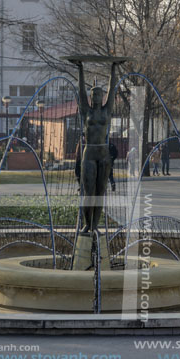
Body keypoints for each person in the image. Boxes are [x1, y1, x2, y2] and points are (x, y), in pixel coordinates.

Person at [74, 58, 122, 233]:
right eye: (93, 95)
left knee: (100, 193)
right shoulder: (86, 110)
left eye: (99, 95)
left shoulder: (106, 110)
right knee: (89, 193)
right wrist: (80, 68)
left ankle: (95, 225)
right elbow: (80, 91)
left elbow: (113, 88)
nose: (96, 97)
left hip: (103, 155)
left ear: (102, 97)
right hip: (89, 154)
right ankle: (88, 224)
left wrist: (113, 68)